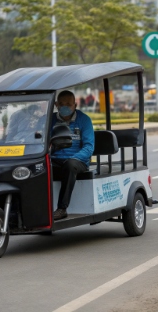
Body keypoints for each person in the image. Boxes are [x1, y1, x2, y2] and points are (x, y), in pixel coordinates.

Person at [51, 90, 95, 221]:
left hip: (77, 161)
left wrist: (74, 158)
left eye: (69, 104)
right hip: (55, 160)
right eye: (62, 104)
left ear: (75, 105)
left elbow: (89, 147)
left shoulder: (84, 120)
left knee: (70, 165)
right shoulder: (50, 120)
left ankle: (62, 208)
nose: (65, 107)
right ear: (56, 105)